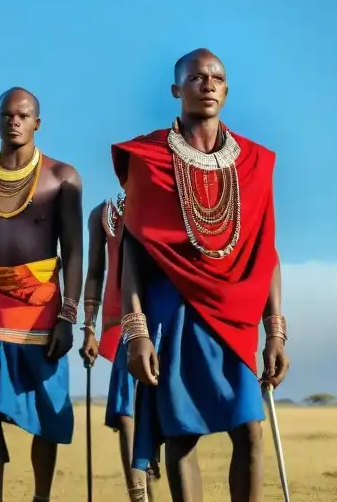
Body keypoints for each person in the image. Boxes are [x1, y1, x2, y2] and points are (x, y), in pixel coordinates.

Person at [113, 48, 290, 502]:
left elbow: (266, 249)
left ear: (227, 91)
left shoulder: (255, 162)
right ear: (177, 90)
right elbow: (131, 251)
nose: (207, 84)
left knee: (250, 430)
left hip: (237, 315)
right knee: (181, 436)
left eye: (217, 77)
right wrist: (136, 334)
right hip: (174, 313)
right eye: (196, 77)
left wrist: (276, 332)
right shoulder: (147, 158)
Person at [0, 87, 83, 502]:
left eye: (23, 115)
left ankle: (41, 497)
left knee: (47, 410)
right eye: (7, 115)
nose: (15, 121)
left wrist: (68, 315)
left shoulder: (63, 178)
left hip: (43, 308)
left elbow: (74, 251)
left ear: (37, 123)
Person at [80, 191, 161, 501]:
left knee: (159, 411)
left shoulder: (166, 200)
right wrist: (89, 327)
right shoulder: (104, 214)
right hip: (123, 323)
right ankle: (138, 495)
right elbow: (95, 271)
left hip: (165, 317)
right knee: (126, 410)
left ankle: (156, 483)